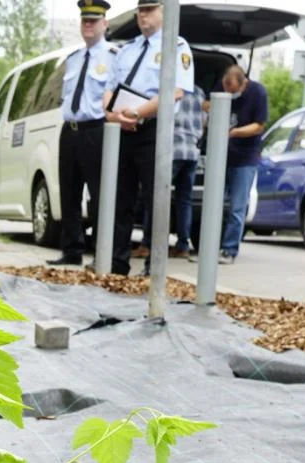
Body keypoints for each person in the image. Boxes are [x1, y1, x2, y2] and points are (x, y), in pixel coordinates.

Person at [104, 0, 193, 276]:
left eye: (150, 10)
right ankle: (117, 263)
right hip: (124, 129)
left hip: (154, 130)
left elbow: (176, 91)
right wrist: (115, 115)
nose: (144, 16)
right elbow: (108, 90)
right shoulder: (127, 50)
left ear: (163, 12)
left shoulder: (176, 47)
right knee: (121, 199)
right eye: (140, 11)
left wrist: (137, 113)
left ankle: (153, 267)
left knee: (156, 199)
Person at [48, 0, 117, 267]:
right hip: (70, 129)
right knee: (69, 192)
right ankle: (71, 250)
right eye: (84, 21)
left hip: (96, 130)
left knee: (99, 193)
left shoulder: (113, 57)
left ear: (104, 24)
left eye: (93, 21)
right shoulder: (73, 59)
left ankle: (101, 252)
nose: (88, 25)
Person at [218, 65, 266, 264]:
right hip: (221, 157)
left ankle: (229, 250)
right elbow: (207, 104)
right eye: (226, 90)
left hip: (245, 158)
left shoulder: (257, 92)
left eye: (233, 91)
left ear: (243, 83)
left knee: (237, 207)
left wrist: (233, 132)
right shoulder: (224, 86)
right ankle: (211, 245)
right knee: (215, 204)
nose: (229, 94)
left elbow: (259, 126)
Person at [169, 82, 204, 257]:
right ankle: (183, 244)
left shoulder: (170, 88)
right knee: (184, 200)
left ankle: (148, 244)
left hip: (173, 149)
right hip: (191, 151)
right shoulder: (199, 92)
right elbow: (204, 121)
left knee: (156, 196)